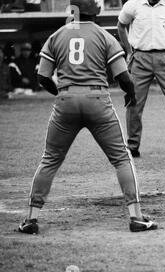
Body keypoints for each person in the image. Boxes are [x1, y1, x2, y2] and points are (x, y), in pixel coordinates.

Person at [18, 0, 157, 234]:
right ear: (97, 10)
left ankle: (31, 219)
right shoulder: (105, 36)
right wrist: (131, 95)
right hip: (97, 101)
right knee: (121, 159)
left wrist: (63, 94)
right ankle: (136, 217)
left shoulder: (57, 35)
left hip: (65, 101)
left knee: (50, 159)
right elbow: (123, 77)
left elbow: (42, 78)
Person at [117, 0, 165, 158]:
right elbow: (121, 25)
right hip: (140, 58)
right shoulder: (133, 4)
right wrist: (129, 51)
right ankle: (132, 146)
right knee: (134, 105)